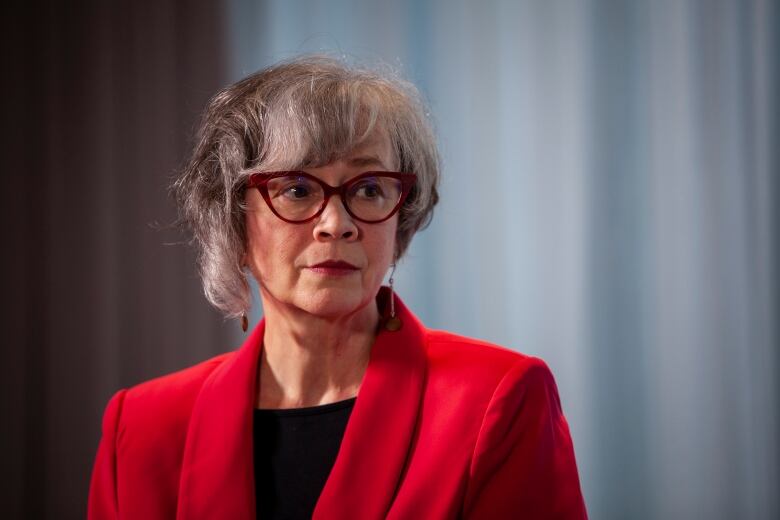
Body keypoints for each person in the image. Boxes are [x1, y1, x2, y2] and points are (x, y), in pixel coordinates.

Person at [88, 55, 588, 519]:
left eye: (369, 189)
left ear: (401, 221)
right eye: (297, 189)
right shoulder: (141, 427)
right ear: (233, 222)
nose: (336, 224)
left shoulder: (498, 399)